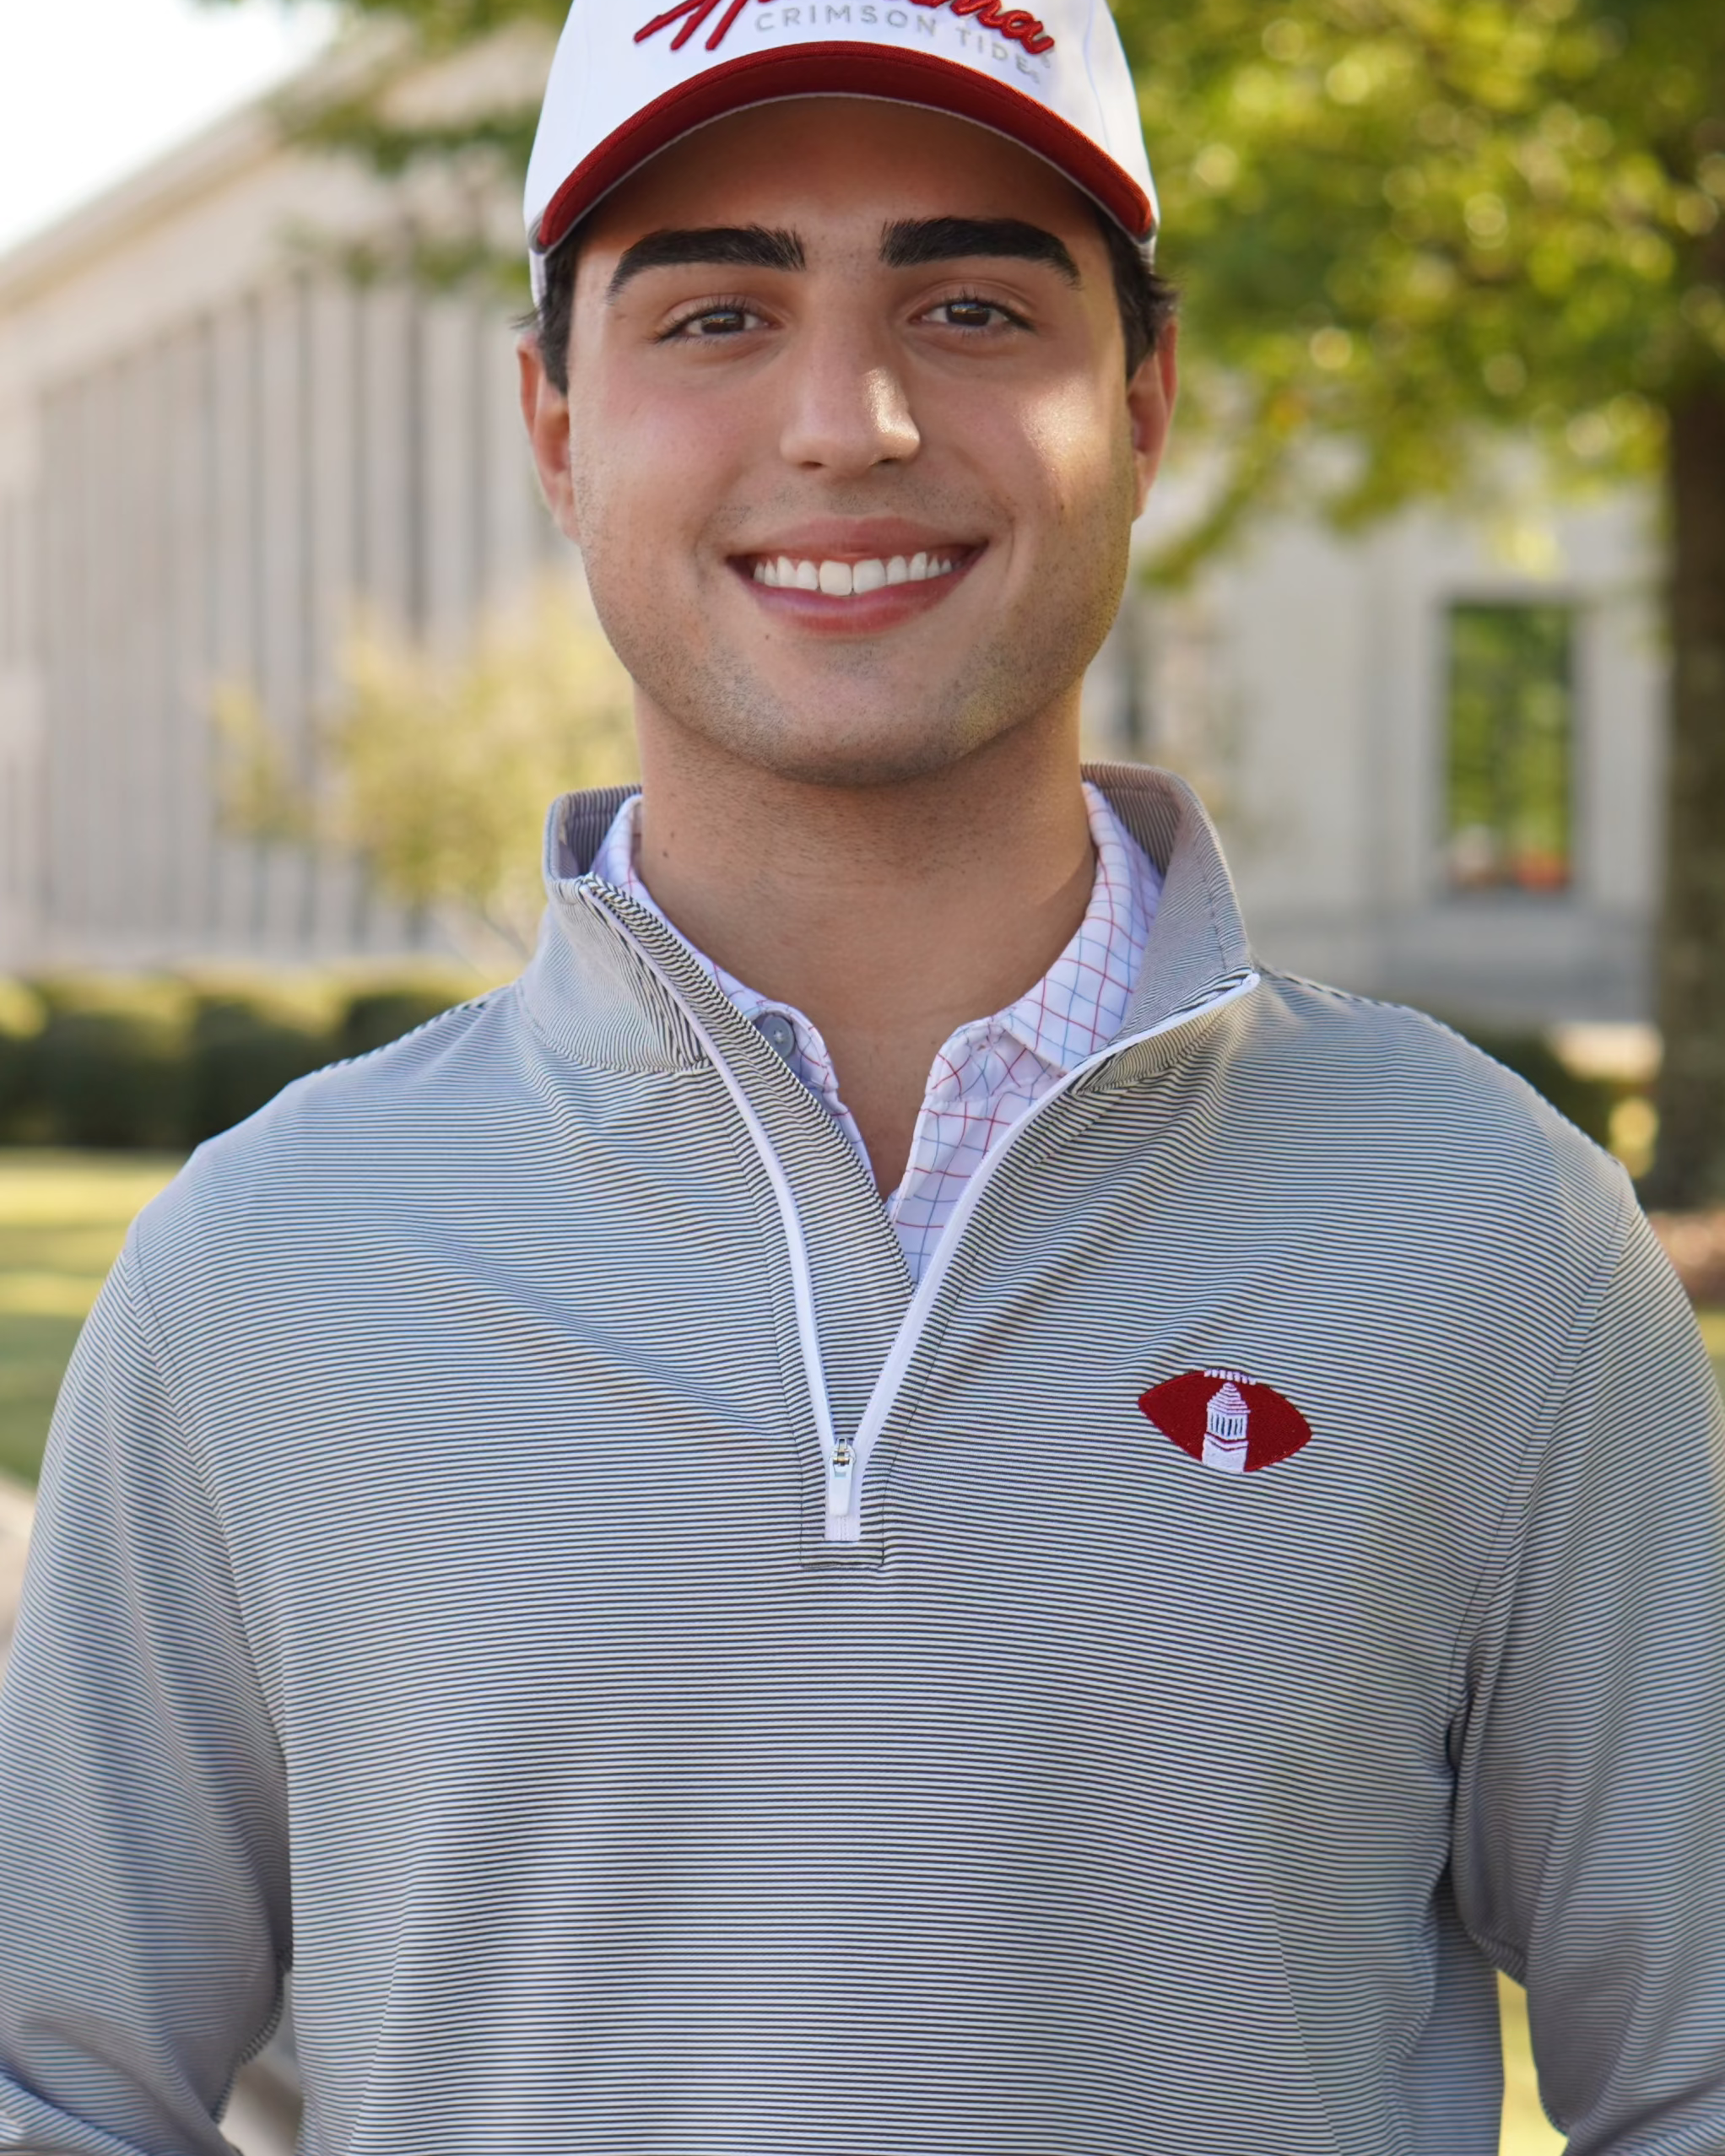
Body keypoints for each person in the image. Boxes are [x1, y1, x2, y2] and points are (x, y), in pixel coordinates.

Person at [3, 0, 1722, 2148]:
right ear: (553, 424)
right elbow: (58, 2081)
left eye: (973, 301)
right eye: (717, 310)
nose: (850, 419)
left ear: (1144, 397)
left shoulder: (1495, 1239)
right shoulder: (258, 1270)